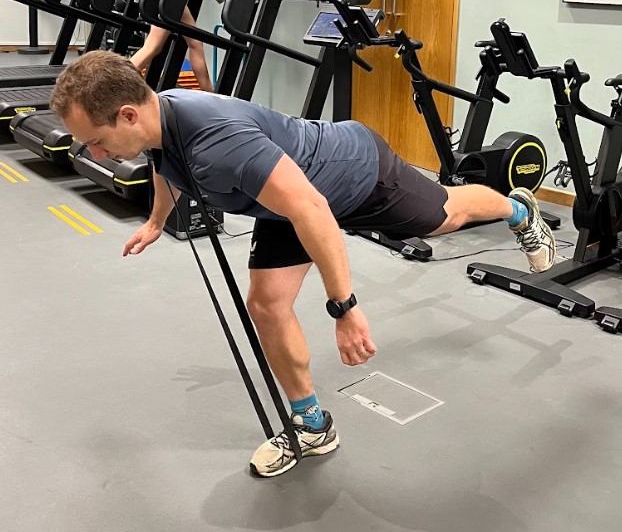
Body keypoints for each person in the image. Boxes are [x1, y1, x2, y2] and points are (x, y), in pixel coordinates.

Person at [50, 51, 557, 478]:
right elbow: (167, 166)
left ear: (127, 115)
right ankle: (312, 425)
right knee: (267, 306)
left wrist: (345, 307)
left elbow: (315, 212)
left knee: (445, 215)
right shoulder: (163, 120)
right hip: (284, 198)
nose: (93, 151)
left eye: (94, 139)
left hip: (358, 174)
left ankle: (518, 209)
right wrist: (158, 222)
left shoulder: (218, 144)